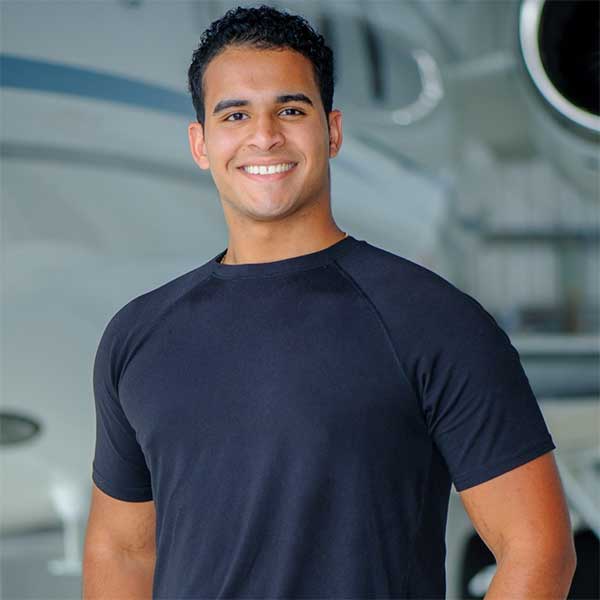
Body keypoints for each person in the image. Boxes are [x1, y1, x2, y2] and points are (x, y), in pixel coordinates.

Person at [82, 4, 576, 599]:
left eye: (291, 109)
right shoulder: (138, 336)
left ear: (332, 130)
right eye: (235, 114)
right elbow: (124, 550)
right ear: (201, 142)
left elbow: (538, 550)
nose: (264, 136)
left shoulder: (433, 322)